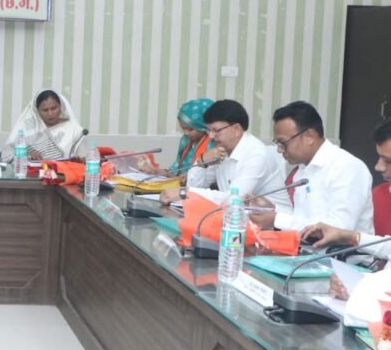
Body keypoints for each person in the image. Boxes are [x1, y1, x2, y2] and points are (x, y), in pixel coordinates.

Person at [249, 101, 373, 235]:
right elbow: (302, 220)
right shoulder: (302, 170)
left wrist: (277, 219)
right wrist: (271, 211)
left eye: (283, 143)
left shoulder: (347, 167)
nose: (279, 150)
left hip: (343, 249)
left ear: (310, 137)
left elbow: (339, 229)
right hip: (307, 246)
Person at [294, 122, 391, 283]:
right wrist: (348, 236)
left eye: (388, 161)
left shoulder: (348, 167)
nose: (378, 167)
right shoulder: (381, 193)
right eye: (379, 157)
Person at [160, 99, 291, 211]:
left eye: (216, 130)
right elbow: (196, 186)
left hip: (276, 225)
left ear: (236, 129)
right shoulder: (222, 149)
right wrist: (202, 162)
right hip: (238, 218)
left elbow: (233, 199)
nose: (211, 136)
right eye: (208, 130)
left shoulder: (257, 154)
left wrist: (185, 192)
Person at [142, 98, 216, 185]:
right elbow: (175, 170)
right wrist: (156, 172)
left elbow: (209, 177)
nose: (186, 133)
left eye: (190, 129)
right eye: (183, 129)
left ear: (203, 126)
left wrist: (188, 177)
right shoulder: (187, 141)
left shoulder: (213, 144)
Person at [7, 89, 84, 161]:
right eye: (45, 110)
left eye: (54, 108)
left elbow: (83, 158)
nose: (50, 113)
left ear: (61, 106)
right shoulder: (28, 129)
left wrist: (77, 160)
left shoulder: (73, 129)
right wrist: (26, 156)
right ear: (37, 111)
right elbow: (6, 156)